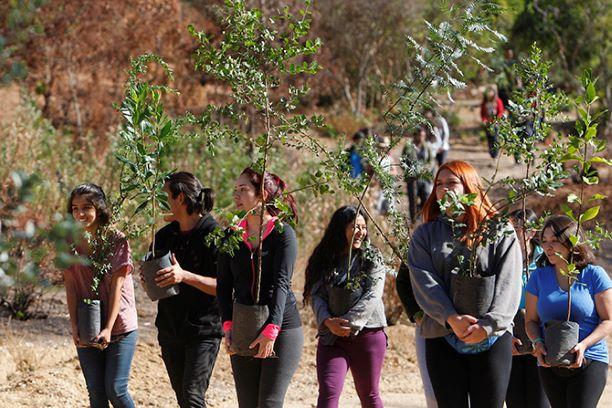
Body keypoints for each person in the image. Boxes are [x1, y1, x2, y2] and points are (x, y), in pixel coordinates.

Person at [407, 160, 522, 408]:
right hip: (441, 334)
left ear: (470, 187)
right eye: (439, 184)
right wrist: (450, 318)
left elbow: (509, 283)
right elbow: (424, 281)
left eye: (452, 183)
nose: (444, 189)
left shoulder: (500, 231)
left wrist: (489, 325)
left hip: (492, 337)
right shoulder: (424, 235)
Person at [217, 167, 303, 408]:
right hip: (244, 323)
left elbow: (281, 284)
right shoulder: (231, 236)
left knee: (268, 403)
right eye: (236, 189)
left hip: (282, 326)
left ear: (263, 194)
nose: (236, 194)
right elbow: (223, 287)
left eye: (243, 189)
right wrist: (228, 325)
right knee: (247, 404)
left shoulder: (283, 234)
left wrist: (272, 330)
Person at [147, 172, 222, 408]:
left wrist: (184, 276)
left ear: (180, 198)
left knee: (192, 397)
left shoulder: (214, 235)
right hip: (170, 328)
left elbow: (224, 288)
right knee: (183, 398)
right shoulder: (165, 235)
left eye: (166, 196)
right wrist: (149, 278)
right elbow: (155, 283)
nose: (163, 202)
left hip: (203, 331)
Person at [304, 205, 387, 408]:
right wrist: (327, 322)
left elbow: (373, 295)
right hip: (332, 338)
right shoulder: (324, 258)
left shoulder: (372, 258)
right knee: (328, 393)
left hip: (368, 336)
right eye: (354, 227)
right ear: (340, 229)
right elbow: (316, 294)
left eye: (363, 227)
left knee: (369, 395)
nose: (360, 232)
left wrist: (348, 323)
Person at [525, 215, 612, 408]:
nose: (548, 247)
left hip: (590, 359)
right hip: (550, 362)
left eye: (554, 241)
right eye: (544, 241)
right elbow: (531, 321)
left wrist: (583, 345)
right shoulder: (538, 277)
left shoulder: (594, 275)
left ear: (572, 241)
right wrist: (537, 342)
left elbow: (608, 321)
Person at [64, 183, 138, 408]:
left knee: (115, 389)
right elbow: (71, 287)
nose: (80, 214)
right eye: (75, 208)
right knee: (96, 393)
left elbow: (117, 287)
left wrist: (108, 328)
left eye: (86, 207)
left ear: (100, 208)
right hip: (87, 325)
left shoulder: (117, 239)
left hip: (120, 327)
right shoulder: (69, 242)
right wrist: (75, 326)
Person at [505, 209, 549, 408]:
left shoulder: (546, 262)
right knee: (515, 401)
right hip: (510, 334)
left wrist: (539, 338)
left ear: (531, 232)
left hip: (541, 336)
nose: (510, 234)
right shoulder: (501, 258)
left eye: (515, 229)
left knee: (540, 401)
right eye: (508, 229)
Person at [396, 262, 437, 408]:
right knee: (434, 395)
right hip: (429, 328)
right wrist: (416, 313)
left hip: (470, 329)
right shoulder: (419, 241)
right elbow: (403, 282)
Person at [402, 125, 435, 224]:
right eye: (420, 135)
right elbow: (402, 161)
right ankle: (413, 222)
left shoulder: (427, 146)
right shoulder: (408, 146)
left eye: (423, 136)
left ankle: (424, 220)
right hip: (412, 179)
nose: (422, 137)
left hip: (424, 178)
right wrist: (409, 171)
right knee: (413, 201)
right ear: (415, 135)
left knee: (426, 199)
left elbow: (431, 161)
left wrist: (426, 170)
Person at [480, 87, 505, 159]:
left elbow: (501, 112)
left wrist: (497, 120)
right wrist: (484, 120)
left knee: (495, 139)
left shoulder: (498, 101)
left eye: (491, 92)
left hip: (495, 124)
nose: (489, 94)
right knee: (489, 140)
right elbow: (482, 113)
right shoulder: (485, 102)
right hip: (488, 124)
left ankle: (495, 155)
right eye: (488, 92)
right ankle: (492, 155)